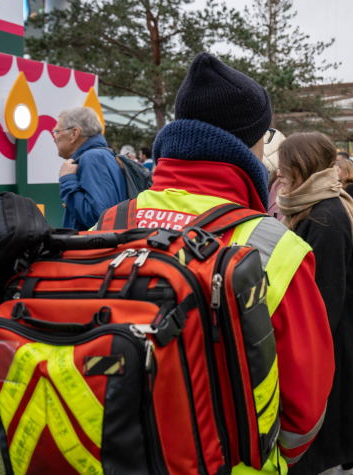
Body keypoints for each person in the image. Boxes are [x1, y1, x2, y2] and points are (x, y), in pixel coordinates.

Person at [95, 53, 334, 473]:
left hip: (117, 455)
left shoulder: (112, 221)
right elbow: (306, 403)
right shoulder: (275, 245)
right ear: (252, 142)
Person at [275, 132, 353, 475]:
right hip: (339, 338)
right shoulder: (323, 204)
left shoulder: (324, 215)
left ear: (300, 166)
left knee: (330, 422)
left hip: (332, 343)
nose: (279, 174)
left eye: (285, 167)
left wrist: (305, 348)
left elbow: (324, 298)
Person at [55, 106, 127, 231]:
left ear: (74, 134)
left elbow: (100, 219)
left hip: (91, 249)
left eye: (57, 132)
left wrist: (68, 181)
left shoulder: (92, 158)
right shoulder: (101, 155)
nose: (54, 138)